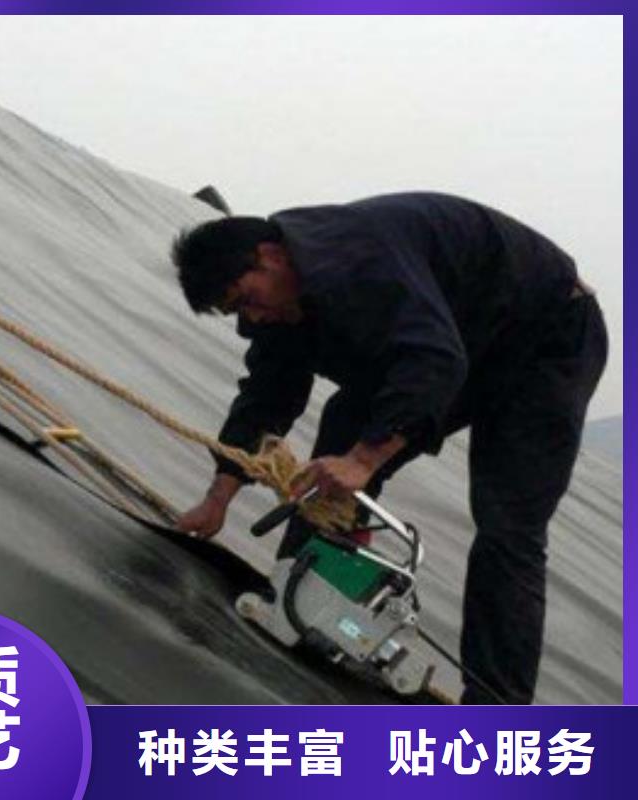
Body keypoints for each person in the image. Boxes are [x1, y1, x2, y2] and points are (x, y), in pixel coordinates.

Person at [170, 192, 607, 704]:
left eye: (247, 299)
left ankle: (497, 708)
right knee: (345, 427)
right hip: (463, 331)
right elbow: (267, 393)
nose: (252, 317)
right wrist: (219, 496)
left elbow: (434, 360)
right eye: (235, 311)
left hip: (548, 335)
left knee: (507, 523)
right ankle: (304, 598)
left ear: (270, 256)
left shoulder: (357, 259)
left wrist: (364, 461)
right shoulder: (280, 303)